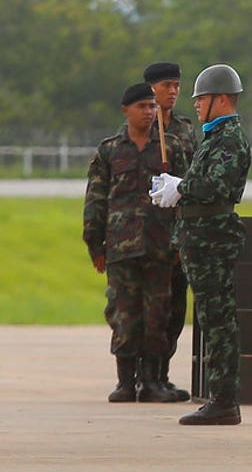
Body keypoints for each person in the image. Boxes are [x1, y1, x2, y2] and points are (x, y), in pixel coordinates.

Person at [151, 64, 252, 425]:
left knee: (219, 321)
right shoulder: (215, 136)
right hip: (202, 239)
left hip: (212, 241)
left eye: (202, 99)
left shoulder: (228, 138)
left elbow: (216, 187)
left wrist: (182, 188)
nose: (195, 105)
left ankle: (224, 400)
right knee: (212, 320)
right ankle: (221, 397)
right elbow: (204, 182)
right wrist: (178, 188)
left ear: (221, 99)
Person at [84, 82, 186, 404]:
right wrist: (95, 245)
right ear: (125, 110)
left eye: (152, 107)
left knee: (158, 313)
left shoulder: (170, 149)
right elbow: (96, 199)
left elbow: (184, 198)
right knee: (123, 314)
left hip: (160, 247)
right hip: (121, 248)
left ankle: (153, 380)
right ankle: (126, 381)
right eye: (142, 106)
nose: (148, 112)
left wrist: (180, 242)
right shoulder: (110, 150)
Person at [143, 61, 196, 403]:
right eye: (167, 86)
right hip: (146, 234)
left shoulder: (186, 130)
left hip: (177, 231)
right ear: (151, 90)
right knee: (148, 310)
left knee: (175, 309)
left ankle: (161, 374)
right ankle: (142, 377)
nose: (173, 92)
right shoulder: (139, 129)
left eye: (177, 85)